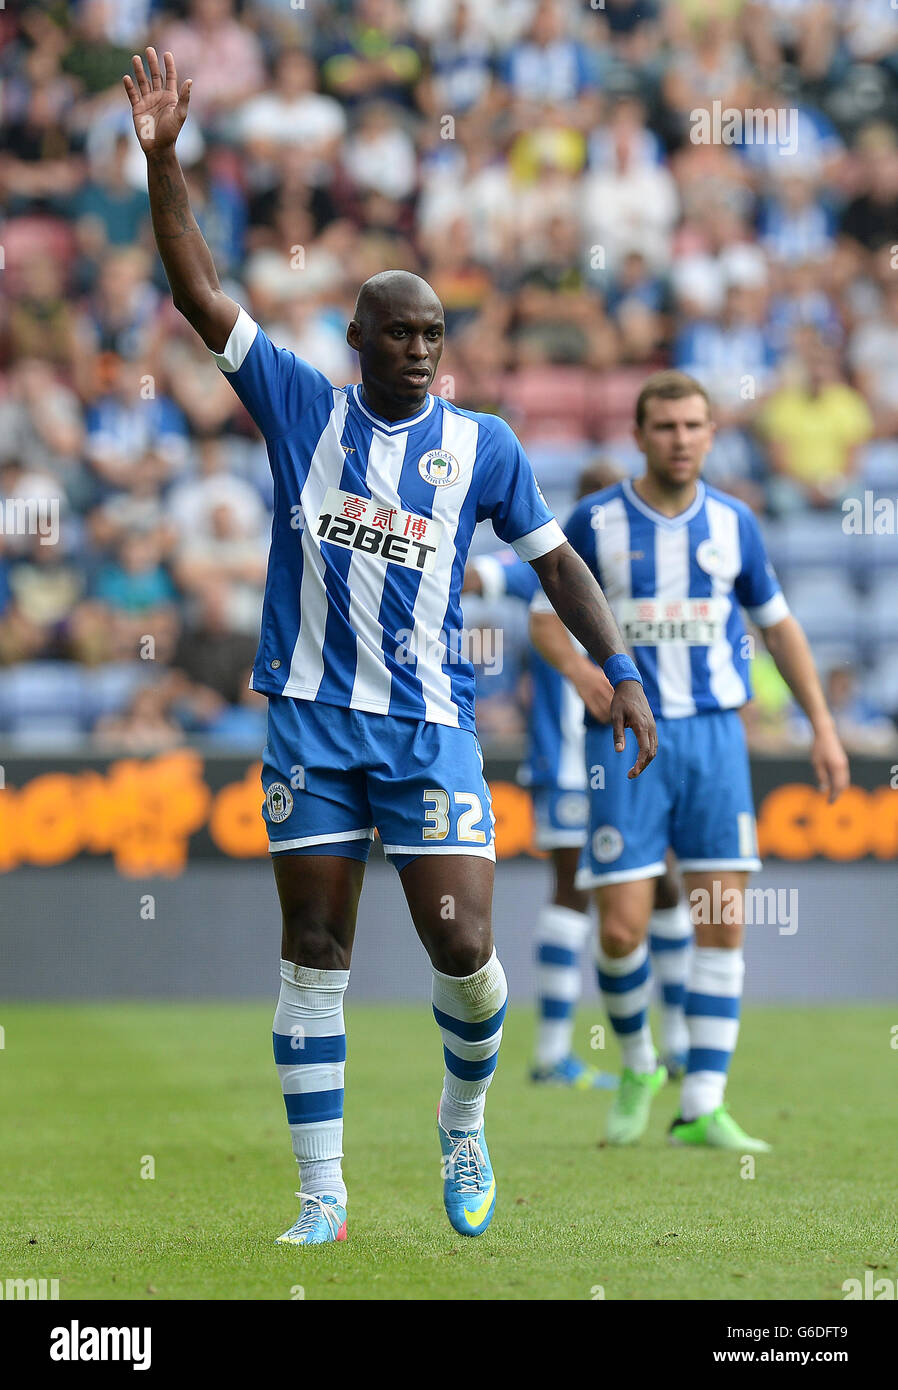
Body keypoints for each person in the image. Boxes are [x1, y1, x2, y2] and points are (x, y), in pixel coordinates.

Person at [123, 48, 657, 1245]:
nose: (420, 348)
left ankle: (461, 1120)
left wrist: (619, 667)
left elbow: (557, 563)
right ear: (358, 335)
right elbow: (196, 284)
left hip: (429, 725)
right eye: (401, 331)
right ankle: (323, 1197)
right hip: (310, 719)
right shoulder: (299, 405)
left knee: (463, 948)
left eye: (435, 334)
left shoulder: (486, 447)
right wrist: (164, 161)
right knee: (315, 949)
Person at [531, 369, 849, 1153]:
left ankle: (701, 1102)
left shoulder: (736, 524)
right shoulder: (597, 521)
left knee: (721, 923)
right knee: (620, 931)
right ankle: (640, 1062)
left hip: (713, 738)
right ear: (639, 435)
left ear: (711, 434)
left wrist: (823, 726)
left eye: (694, 426)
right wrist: (583, 674)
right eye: (665, 426)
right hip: (627, 742)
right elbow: (543, 618)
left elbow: (779, 628)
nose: (680, 439)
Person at [465, 463, 693, 1089]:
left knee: (660, 880)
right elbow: (471, 573)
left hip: (628, 754)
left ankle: (673, 1044)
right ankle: (555, 1053)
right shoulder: (548, 563)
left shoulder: (640, 573)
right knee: (575, 888)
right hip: (568, 755)